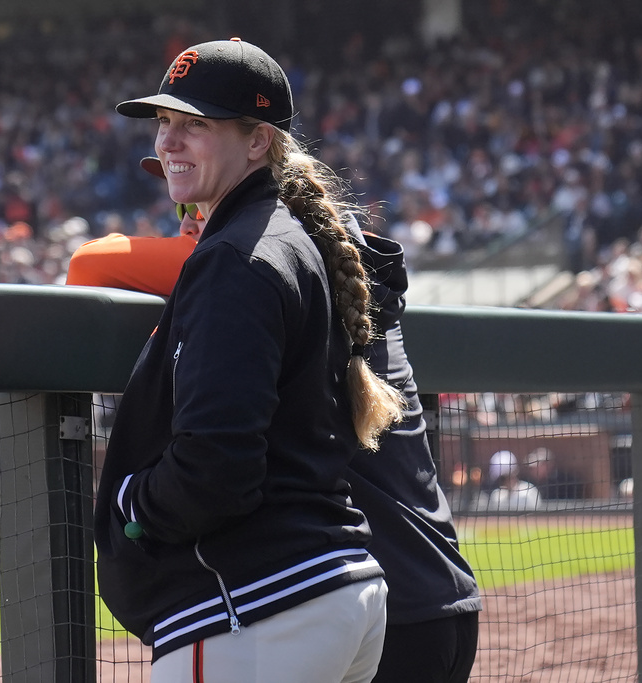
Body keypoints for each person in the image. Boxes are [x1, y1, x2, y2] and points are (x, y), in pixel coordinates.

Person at [71, 157, 482, 683]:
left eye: (197, 203)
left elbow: (89, 265)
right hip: (424, 600)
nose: (189, 215)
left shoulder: (260, 257)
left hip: (352, 601)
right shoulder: (337, 271)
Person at [93, 38, 410, 682]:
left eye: (196, 125)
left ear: (258, 140)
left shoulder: (236, 257)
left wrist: (134, 508)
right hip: (333, 591)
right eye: (164, 122)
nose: (169, 141)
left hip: (256, 606)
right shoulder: (289, 238)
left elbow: (217, 464)